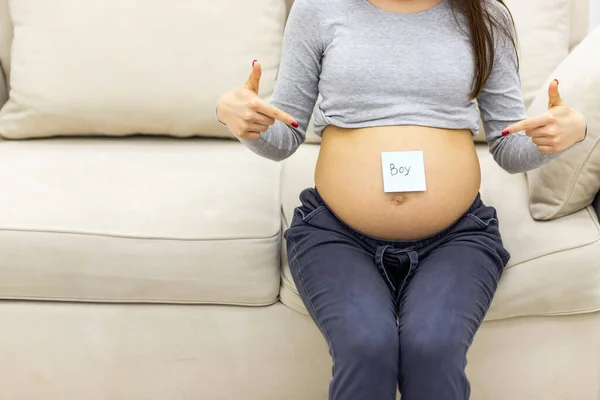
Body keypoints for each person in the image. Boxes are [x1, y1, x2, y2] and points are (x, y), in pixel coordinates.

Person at [216, 0, 587, 399]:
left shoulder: (486, 16)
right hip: (336, 234)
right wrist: (241, 120)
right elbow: (285, 134)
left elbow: (509, 146)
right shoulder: (318, 9)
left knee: (433, 346)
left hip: (456, 236)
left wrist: (564, 136)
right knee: (366, 345)